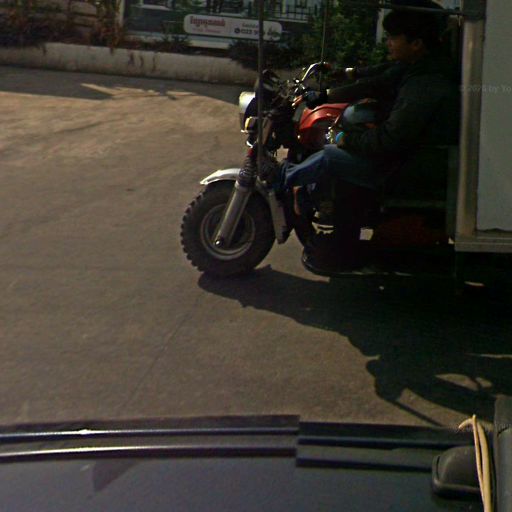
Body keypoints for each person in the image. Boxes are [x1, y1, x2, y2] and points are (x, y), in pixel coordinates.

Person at [282, 1, 460, 273]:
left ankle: (284, 182)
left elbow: (387, 141)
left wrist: (343, 138)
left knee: (331, 154)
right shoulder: (419, 66)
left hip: (411, 167)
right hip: (410, 158)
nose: (388, 42)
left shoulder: (425, 83)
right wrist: (331, 91)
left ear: (416, 44)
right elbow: (377, 79)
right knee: (341, 147)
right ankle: (331, 228)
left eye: (393, 38)